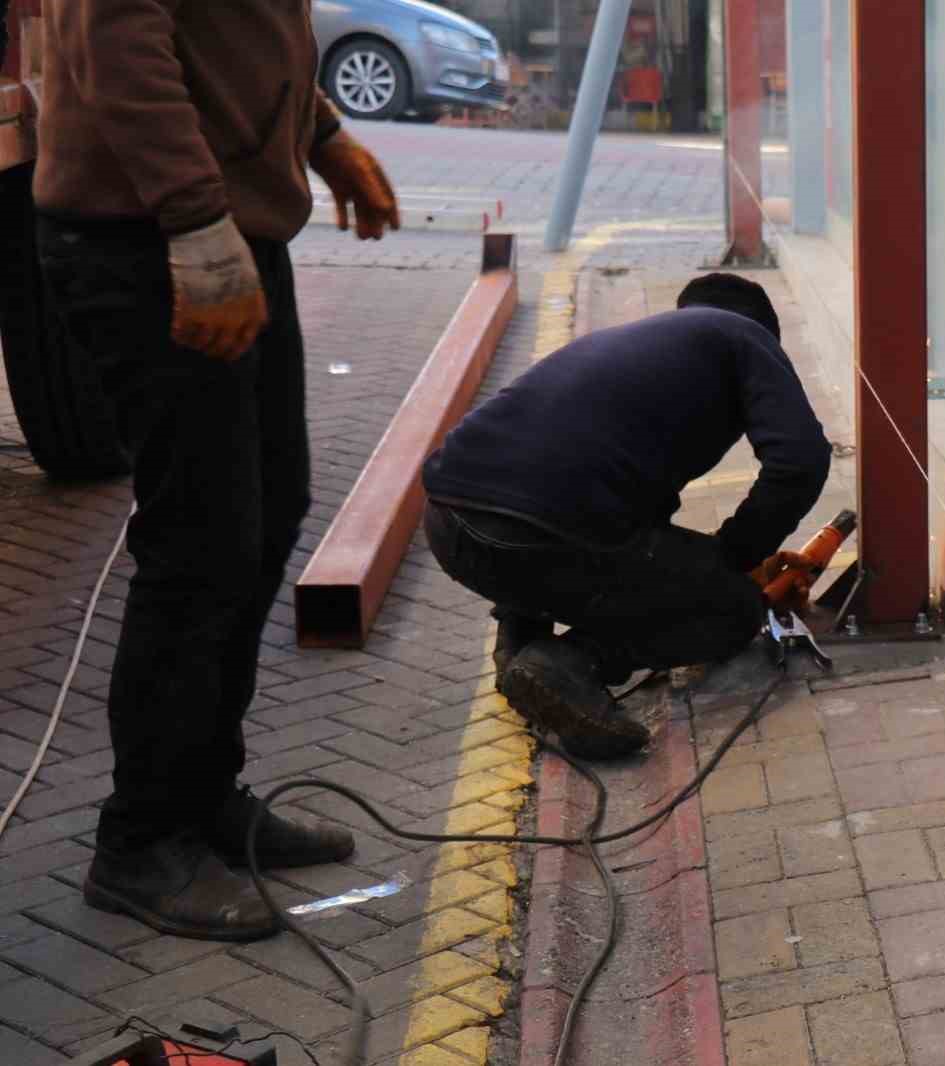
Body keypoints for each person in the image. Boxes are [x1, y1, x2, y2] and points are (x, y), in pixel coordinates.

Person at [33, 0, 401, 940]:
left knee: (269, 512)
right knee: (202, 542)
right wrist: (196, 223)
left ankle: (203, 797)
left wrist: (323, 135)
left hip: (227, 228)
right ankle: (140, 842)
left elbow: (245, 31)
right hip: (149, 238)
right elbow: (114, 37)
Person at [422, 274, 831, 760]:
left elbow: (633, 523)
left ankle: (521, 637)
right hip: (542, 538)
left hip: (450, 527)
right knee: (733, 607)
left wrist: (712, 559)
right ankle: (570, 663)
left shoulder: (632, 348)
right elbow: (801, 460)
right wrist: (735, 557)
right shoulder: (744, 336)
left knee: (596, 529)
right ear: (767, 333)